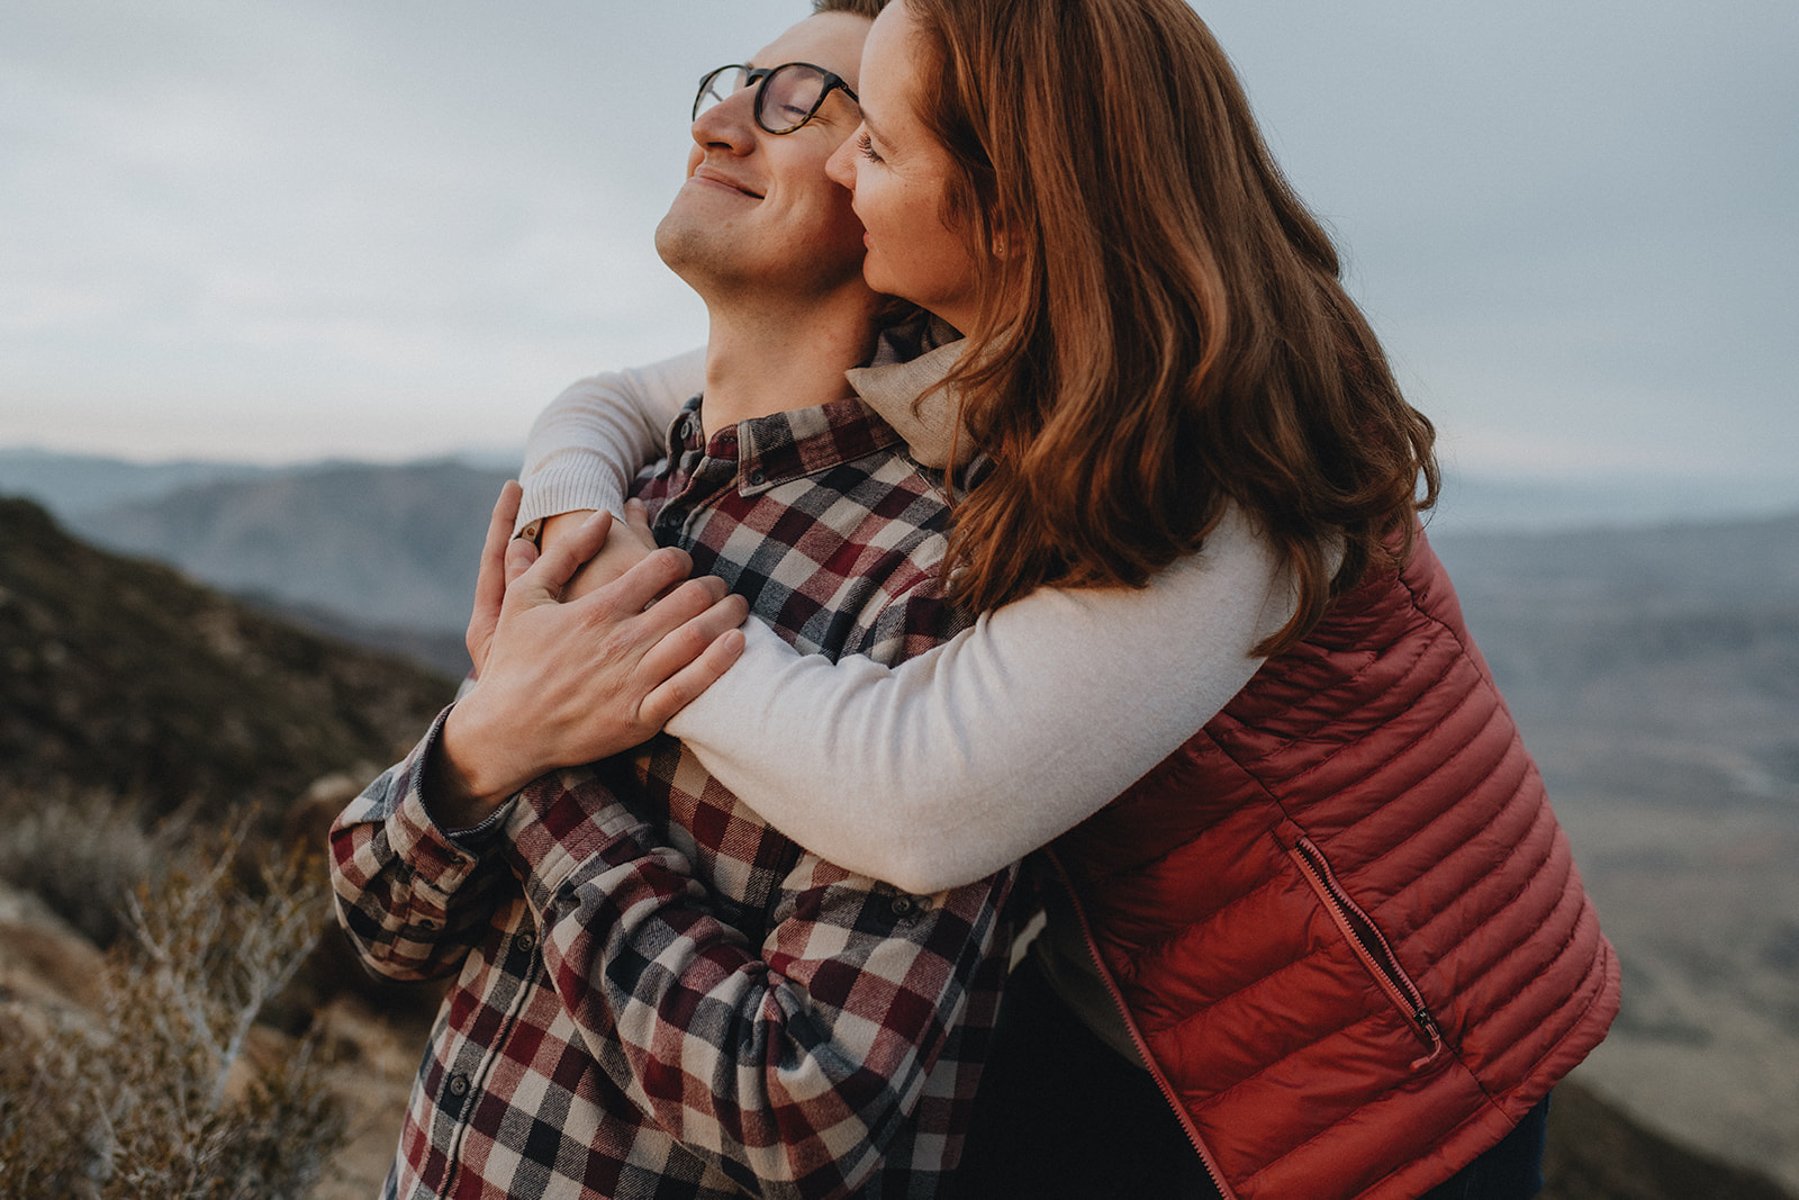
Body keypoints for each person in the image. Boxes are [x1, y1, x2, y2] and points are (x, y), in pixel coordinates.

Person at [467, 0, 1621, 1197]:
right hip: (1130, 980)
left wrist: (593, 640)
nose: (848, 160)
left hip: (1379, 1061)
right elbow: (614, 400)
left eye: (883, 143)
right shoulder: (1027, 323)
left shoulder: (1212, 459)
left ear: (1012, 207)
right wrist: (576, 523)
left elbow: (913, 798)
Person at [329, 4, 1026, 1197]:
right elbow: (382, 915)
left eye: (798, 99)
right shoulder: (627, 499)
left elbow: (802, 1107)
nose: (715, 124)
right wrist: (488, 740)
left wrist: (542, 758)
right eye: (730, 84)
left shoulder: (941, 578)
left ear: (898, 190)